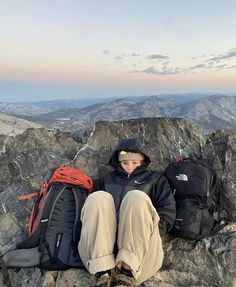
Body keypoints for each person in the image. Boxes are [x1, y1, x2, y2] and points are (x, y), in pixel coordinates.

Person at [78, 138, 176, 287]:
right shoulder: (106, 179)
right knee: (98, 197)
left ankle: (127, 272)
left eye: (134, 162)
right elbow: (94, 215)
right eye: (125, 163)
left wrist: (145, 232)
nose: (129, 167)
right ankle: (102, 272)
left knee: (136, 197)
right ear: (118, 162)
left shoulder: (155, 180)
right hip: (102, 253)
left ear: (142, 162)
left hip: (141, 255)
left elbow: (168, 214)